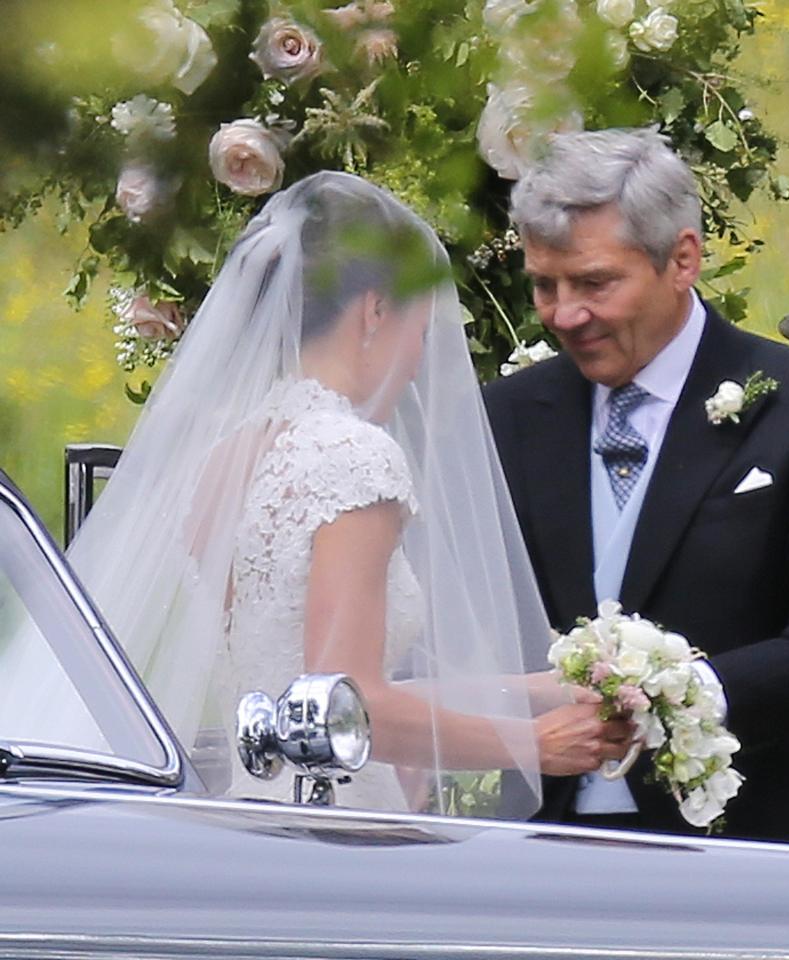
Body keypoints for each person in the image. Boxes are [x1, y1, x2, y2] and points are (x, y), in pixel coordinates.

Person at [60, 171, 631, 815]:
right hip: (338, 818)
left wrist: (546, 689)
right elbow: (345, 700)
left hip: (252, 805)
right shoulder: (352, 456)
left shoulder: (230, 453)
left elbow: (303, 671)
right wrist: (532, 744)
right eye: (421, 332)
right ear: (375, 311)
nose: (418, 362)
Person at [483, 128, 789, 845]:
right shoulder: (507, 415)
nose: (564, 315)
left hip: (742, 840)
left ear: (682, 260)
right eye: (545, 286)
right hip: (533, 843)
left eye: (593, 283)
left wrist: (680, 695)